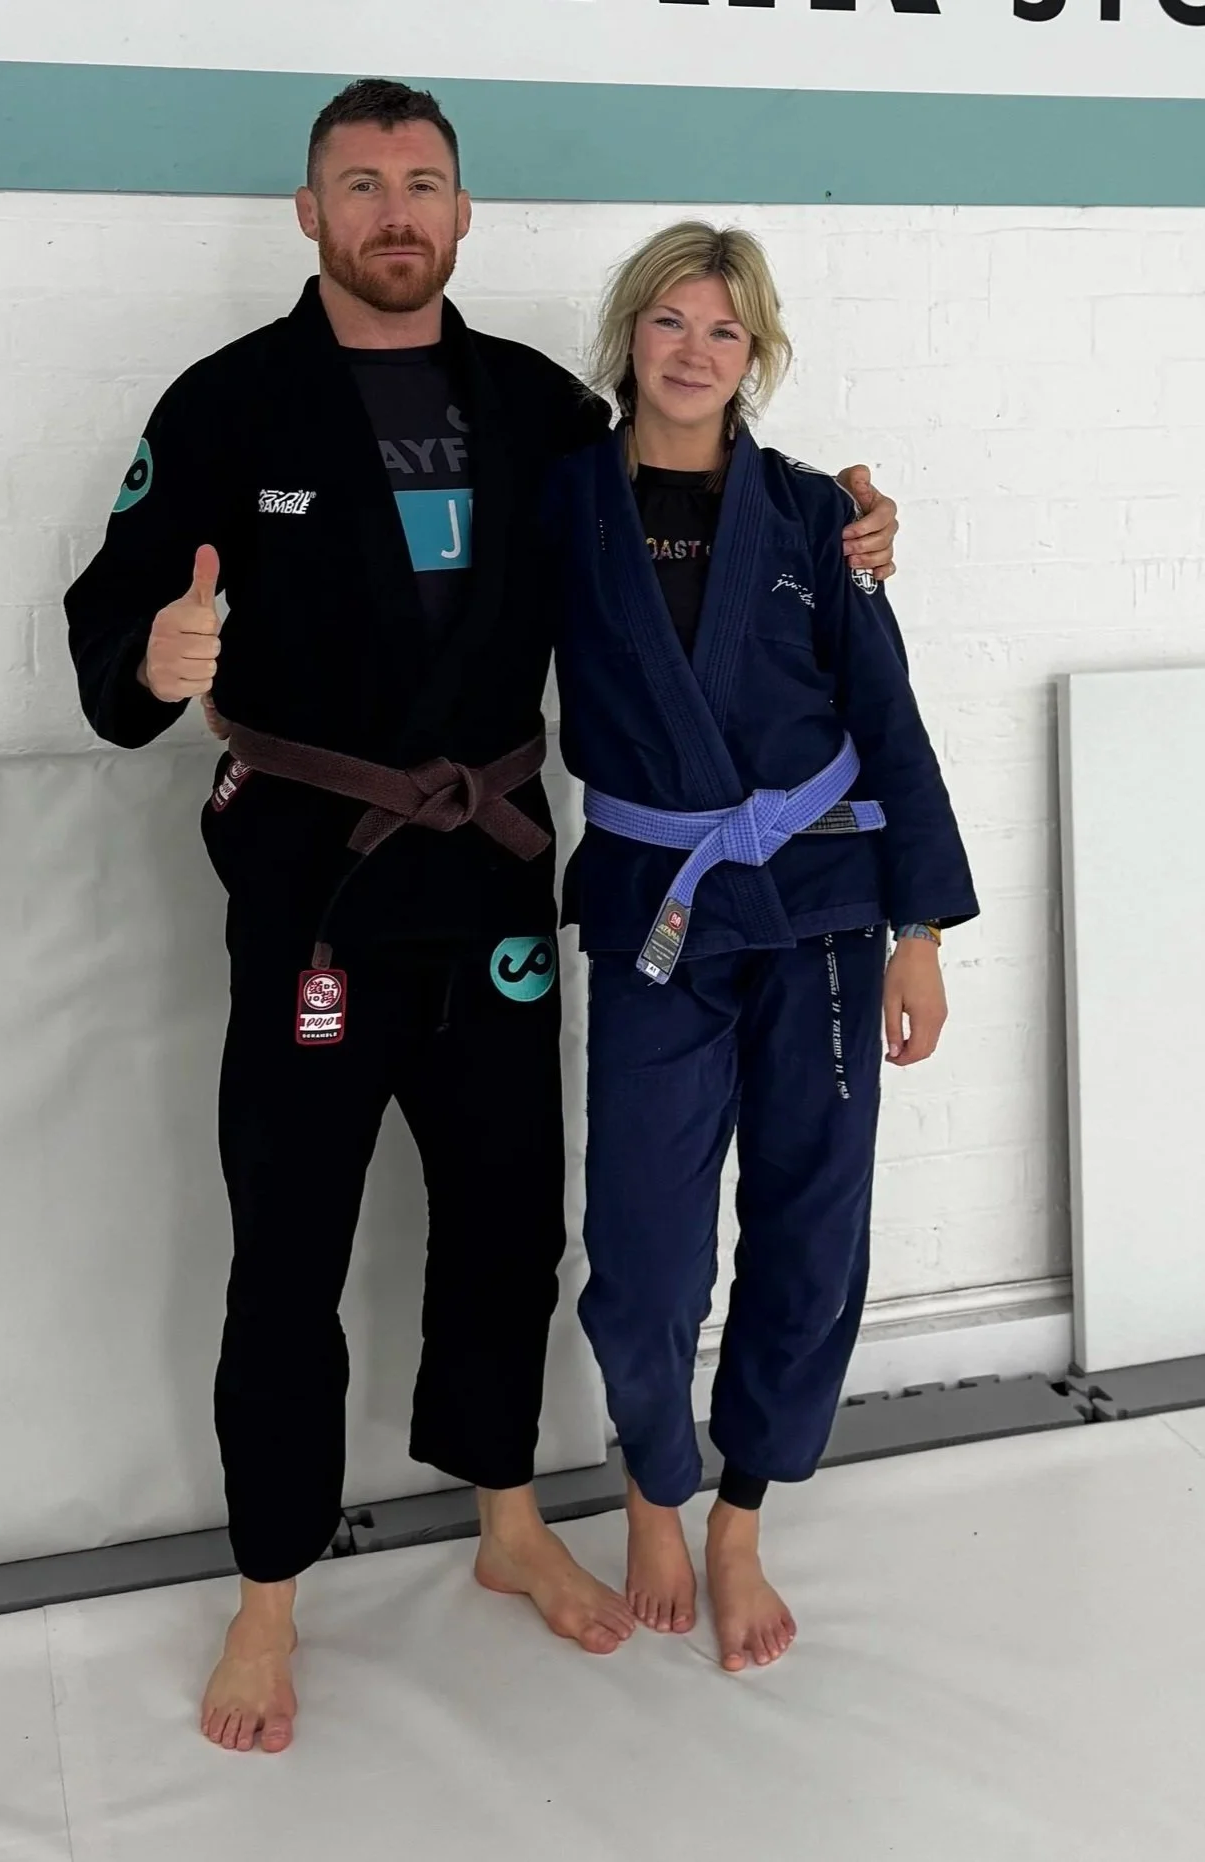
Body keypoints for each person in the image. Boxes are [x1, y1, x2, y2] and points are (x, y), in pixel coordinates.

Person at [65, 82, 901, 1755]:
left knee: (510, 1217)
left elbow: (704, 502)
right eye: (360, 182)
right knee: (290, 1244)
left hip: (501, 875)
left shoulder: (534, 412)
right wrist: (147, 666)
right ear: (310, 214)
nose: (395, 207)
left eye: (423, 183)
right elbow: (114, 603)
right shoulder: (229, 404)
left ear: (463, 215)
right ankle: (269, 1591)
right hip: (315, 887)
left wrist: (850, 523)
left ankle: (508, 1517)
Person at [548, 223, 978, 1675]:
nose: (690, 350)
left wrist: (918, 929)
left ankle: (737, 1514)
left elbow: (889, 718)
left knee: (811, 1222)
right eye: (667, 322)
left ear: (756, 356)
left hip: (826, 914)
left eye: (722, 332)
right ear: (629, 337)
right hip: (657, 909)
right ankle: (650, 1487)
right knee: (648, 1243)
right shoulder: (566, 503)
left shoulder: (812, 517)